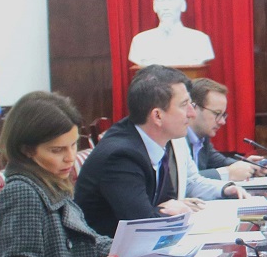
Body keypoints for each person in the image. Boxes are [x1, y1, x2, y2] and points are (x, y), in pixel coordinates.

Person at [0, 91, 122, 257]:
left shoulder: (49, 180)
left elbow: (86, 239)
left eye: (73, 145)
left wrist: (127, 251)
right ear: (27, 150)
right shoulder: (22, 194)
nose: (70, 158)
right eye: (57, 150)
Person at [76, 65, 247, 237]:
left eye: (191, 104)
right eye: (184, 105)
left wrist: (166, 209)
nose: (192, 113)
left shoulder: (155, 141)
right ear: (157, 116)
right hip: (106, 251)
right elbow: (143, 226)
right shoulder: (121, 156)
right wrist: (166, 210)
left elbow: (167, 202)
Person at [187, 77, 263, 181]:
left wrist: (248, 166)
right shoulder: (175, 139)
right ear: (193, 108)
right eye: (217, 114)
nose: (222, 122)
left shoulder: (202, 138)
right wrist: (227, 173)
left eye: (223, 115)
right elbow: (183, 180)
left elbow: (220, 162)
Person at [127, 0, 215, 67]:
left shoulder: (200, 41)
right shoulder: (140, 42)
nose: (166, 7)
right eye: (161, 0)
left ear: (183, 5)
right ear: (154, 6)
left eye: (171, 0)